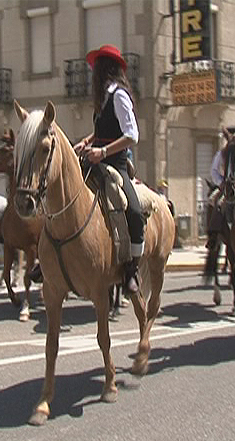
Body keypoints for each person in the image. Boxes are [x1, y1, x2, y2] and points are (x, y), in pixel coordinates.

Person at [73, 44, 145, 295]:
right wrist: (87, 141)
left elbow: (132, 135)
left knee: (134, 211)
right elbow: (103, 130)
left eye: (96, 69)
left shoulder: (119, 96)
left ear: (105, 70)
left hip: (114, 164)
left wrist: (103, 152)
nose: (93, 74)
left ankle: (131, 269)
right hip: (93, 161)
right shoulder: (103, 98)